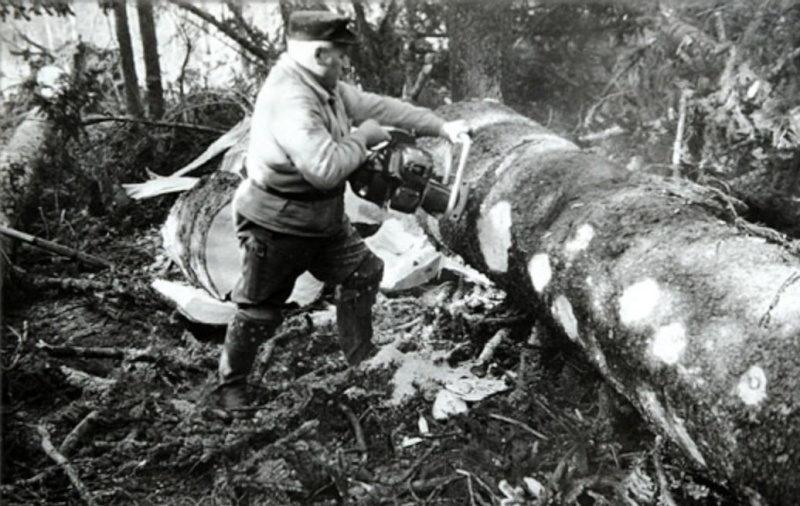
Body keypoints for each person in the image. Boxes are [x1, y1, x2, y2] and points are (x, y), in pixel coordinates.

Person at [215, 10, 470, 409]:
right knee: (259, 312)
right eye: (340, 53)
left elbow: (377, 105)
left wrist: (438, 125)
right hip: (276, 224)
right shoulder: (290, 99)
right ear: (319, 54)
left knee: (363, 271)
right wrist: (363, 138)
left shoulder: (325, 85)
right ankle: (231, 387)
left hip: (324, 219)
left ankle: (361, 357)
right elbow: (323, 168)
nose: (346, 62)